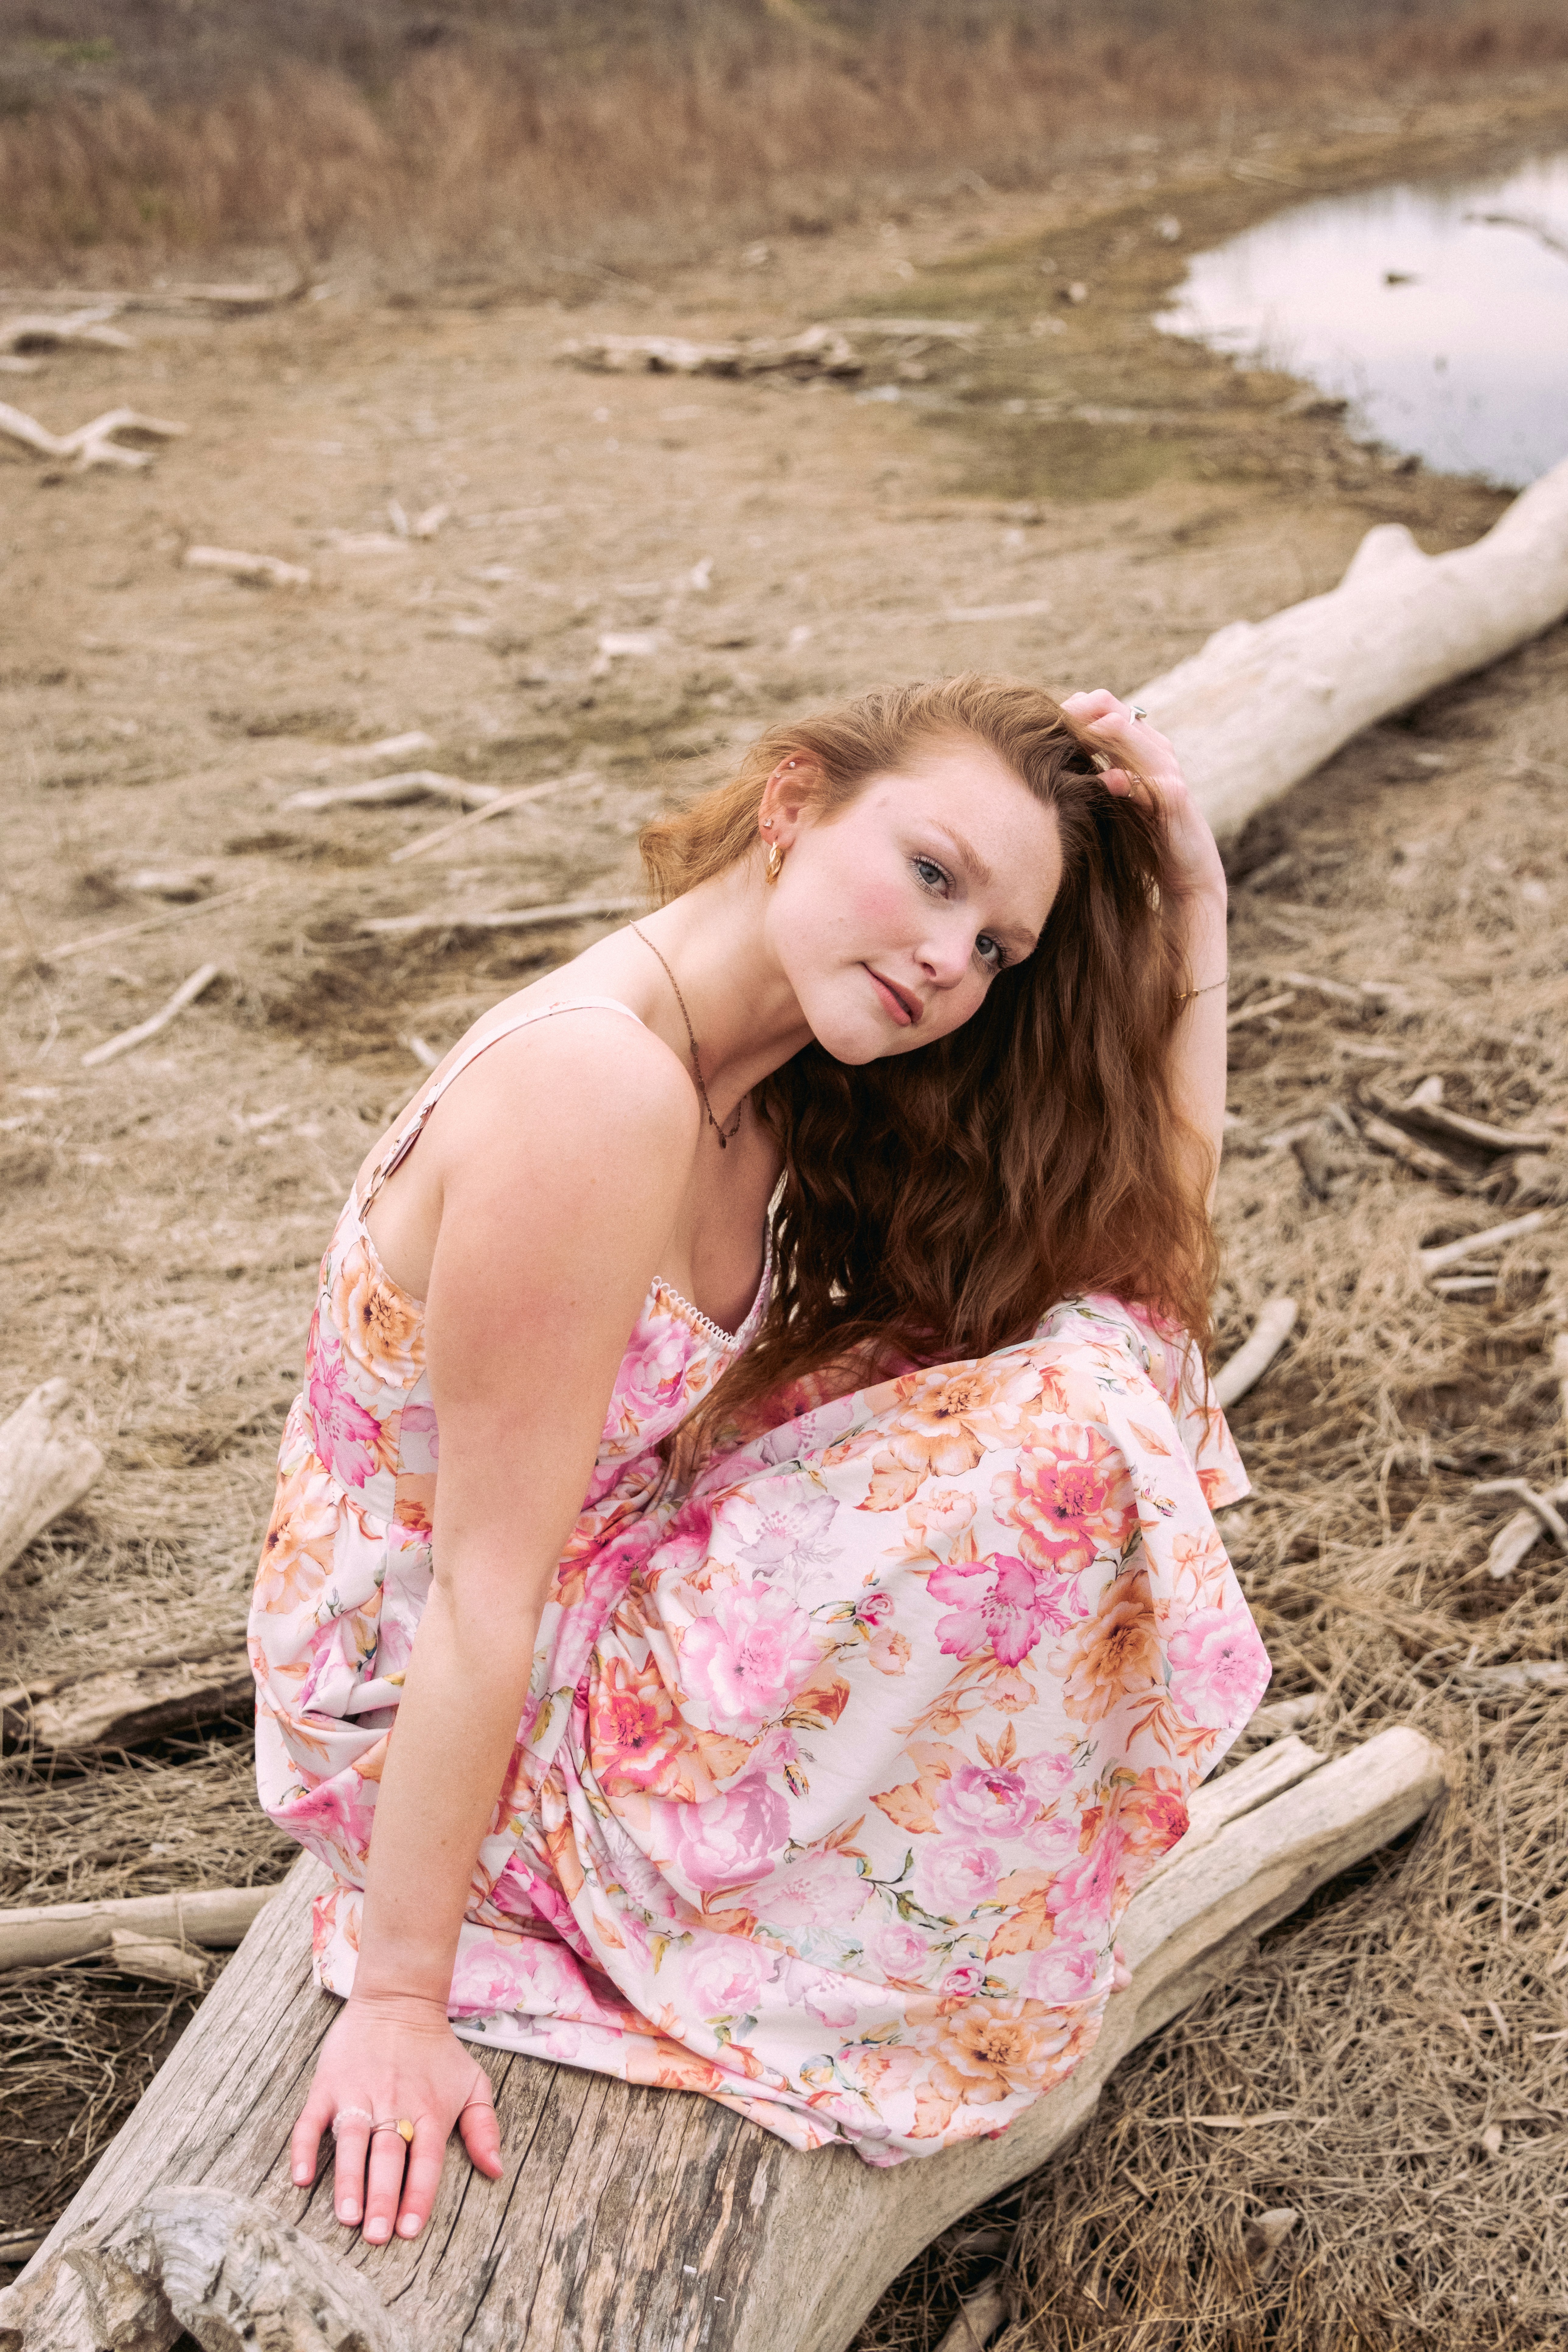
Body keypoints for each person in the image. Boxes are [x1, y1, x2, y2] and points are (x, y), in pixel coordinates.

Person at [249, 675, 1268, 2250]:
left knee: (1090, 1378)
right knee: (1072, 1439)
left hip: (597, 1591)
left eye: (997, 945)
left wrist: (1195, 903)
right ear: (793, 804)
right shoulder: (596, 1089)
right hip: (433, 1707)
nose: (950, 959)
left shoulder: (776, 1080)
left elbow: (1147, 1276)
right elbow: (477, 1590)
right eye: (934, 875)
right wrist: (400, 1995)